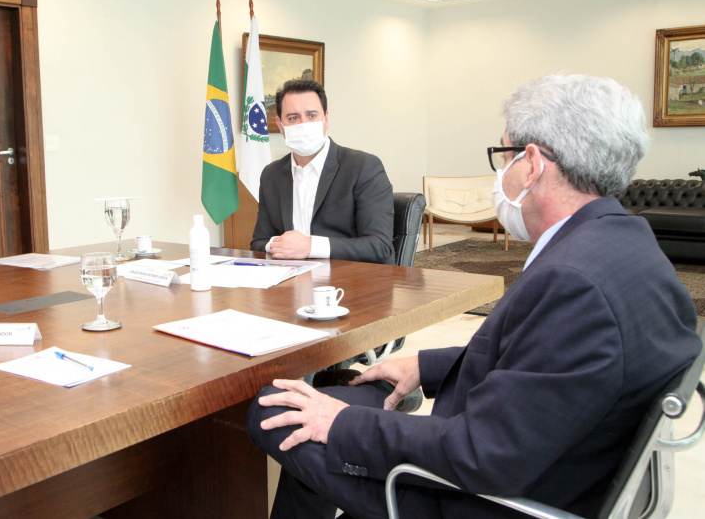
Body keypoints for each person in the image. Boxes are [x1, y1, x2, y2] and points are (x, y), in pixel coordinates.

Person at [247, 74, 702, 519]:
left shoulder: (573, 283)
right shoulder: (629, 245)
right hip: (541, 458)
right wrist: (427, 366)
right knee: (330, 400)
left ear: (531, 163)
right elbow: (545, 359)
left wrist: (340, 423)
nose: (499, 174)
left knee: (272, 408)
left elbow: (482, 454)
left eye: (502, 154)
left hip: (469, 496)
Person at [251, 80, 394, 265]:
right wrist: (284, 246)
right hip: (289, 276)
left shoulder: (363, 167)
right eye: (293, 118)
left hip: (349, 277)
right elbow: (259, 243)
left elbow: (380, 246)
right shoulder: (271, 174)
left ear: (326, 119)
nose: (303, 124)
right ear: (280, 124)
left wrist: (310, 247)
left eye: (312, 115)